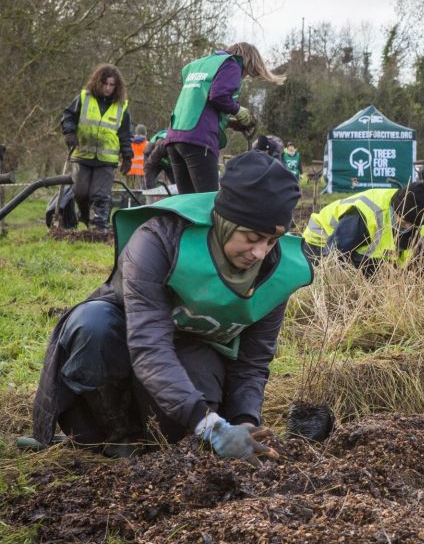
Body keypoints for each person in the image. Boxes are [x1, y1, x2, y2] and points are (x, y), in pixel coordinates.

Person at [27, 151, 313, 460]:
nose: (260, 252)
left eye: (271, 241)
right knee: (92, 325)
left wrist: (244, 424)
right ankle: (115, 435)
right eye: (252, 237)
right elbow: (148, 345)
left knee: (179, 437)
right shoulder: (159, 240)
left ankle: (155, 438)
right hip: (127, 338)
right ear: (225, 221)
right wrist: (210, 425)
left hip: (196, 353)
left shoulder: (275, 272)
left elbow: (252, 362)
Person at [165, 43, 283, 194]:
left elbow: (200, 106)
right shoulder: (232, 64)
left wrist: (232, 124)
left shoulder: (201, 64)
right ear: (248, 63)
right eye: (246, 74)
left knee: (186, 204)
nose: (244, 77)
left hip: (174, 139)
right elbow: (218, 96)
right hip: (199, 141)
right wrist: (238, 110)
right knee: (207, 201)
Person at [303, 183, 424, 276]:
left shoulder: (420, 224)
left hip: (364, 253)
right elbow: (333, 257)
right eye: (405, 222)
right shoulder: (366, 215)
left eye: (413, 224)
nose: (408, 227)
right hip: (321, 242)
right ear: (396, 209)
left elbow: (421, 267)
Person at [60, 63, 134, 232]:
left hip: (107, 160)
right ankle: (86, 219)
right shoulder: (84, 97)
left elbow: (125, 133)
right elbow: (68, 116)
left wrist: (127, 156)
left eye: (111, 85)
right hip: (83, 154)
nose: (108, 88)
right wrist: (69, 133)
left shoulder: (122, 106)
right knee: (80, 193)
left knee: (99, 195)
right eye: (105, 84)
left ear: (117, 87)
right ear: (98, 82)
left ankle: (100, 228)